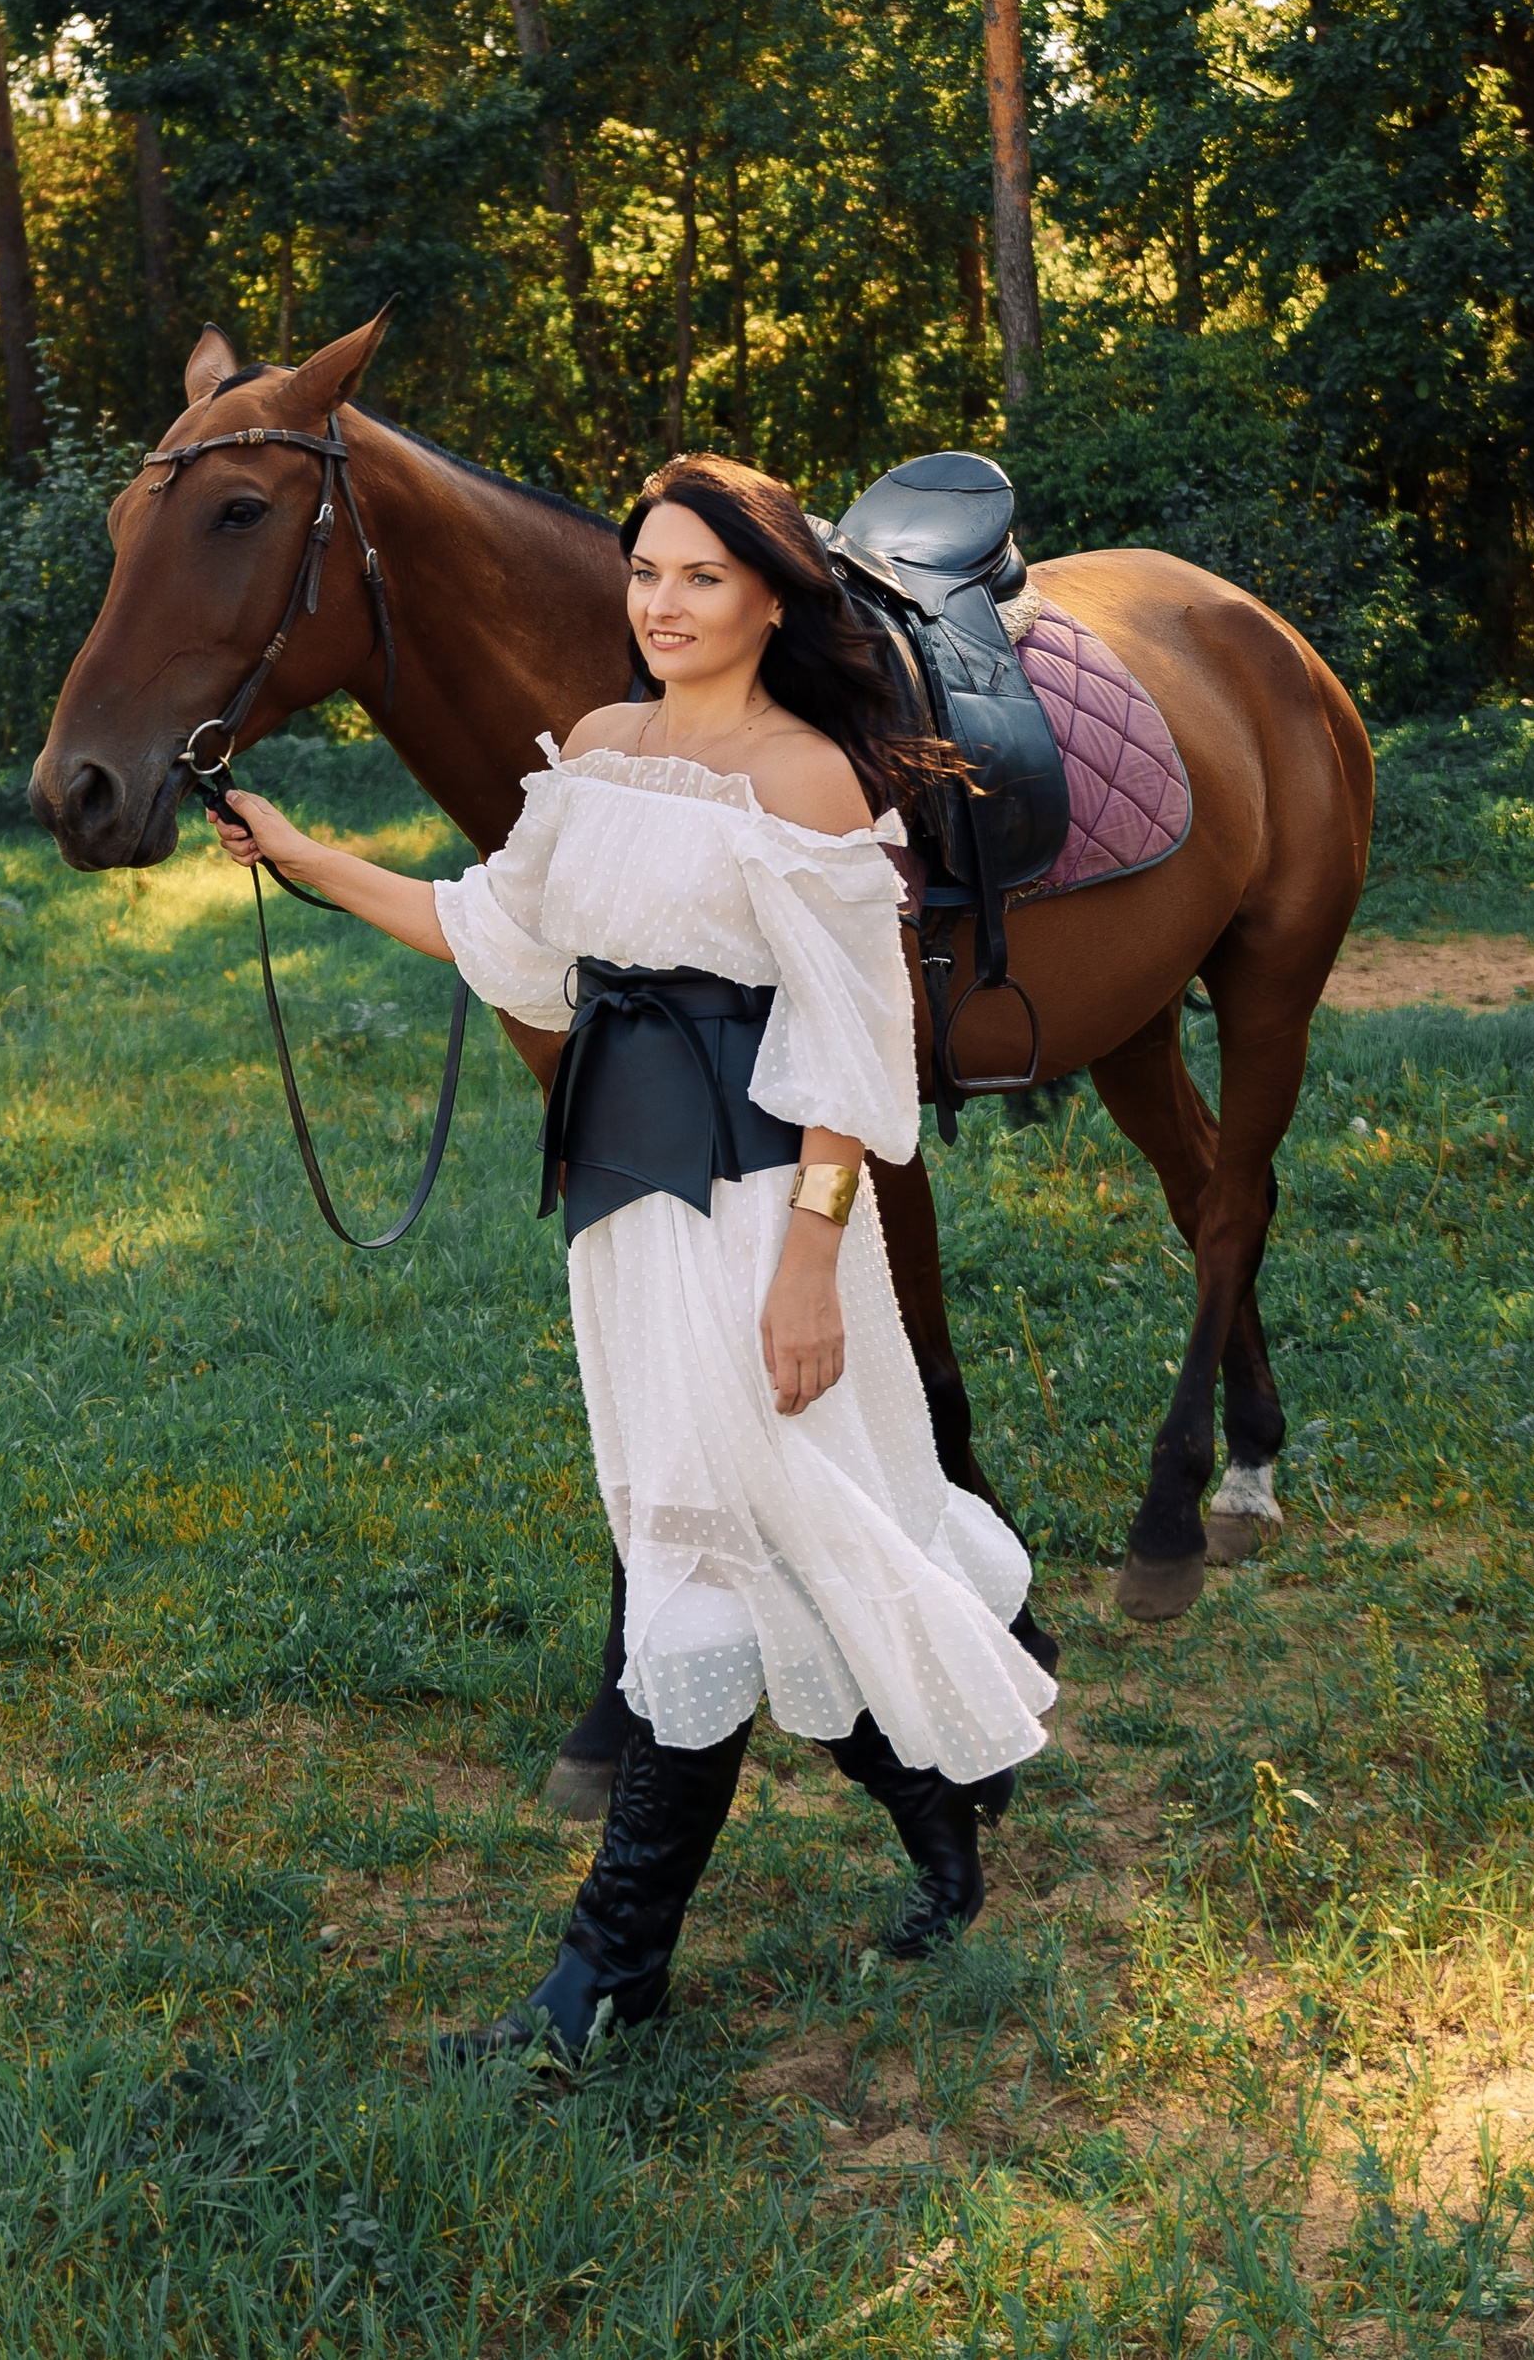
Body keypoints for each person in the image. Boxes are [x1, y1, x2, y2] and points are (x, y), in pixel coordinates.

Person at [206, 451, 1055, 2063]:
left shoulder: (811, 781)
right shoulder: (597, 747)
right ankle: (939, 1810)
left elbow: (856, 1047)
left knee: (713, 1553)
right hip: (622, 1211)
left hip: (757, 1220)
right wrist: (307, 856)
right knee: (756, 1535)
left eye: (701, 580)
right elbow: (509, 933)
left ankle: (603, 1978)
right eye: (645, 574)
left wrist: (810, 1268)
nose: (663, 607)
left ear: (770, 600)